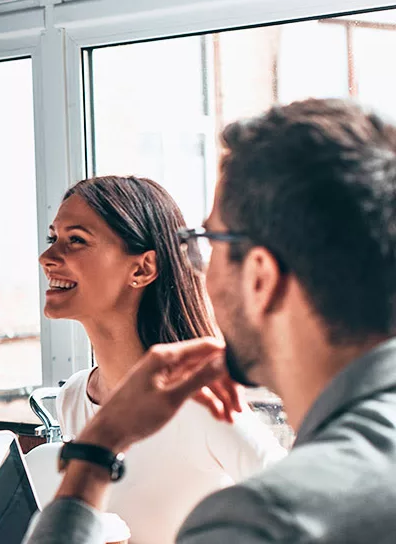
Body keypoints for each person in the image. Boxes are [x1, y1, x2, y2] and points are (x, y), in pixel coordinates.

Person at [24, 98, 396, 543]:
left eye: (207, 240)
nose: (197, 265)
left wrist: (94, 454)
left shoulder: (260, 520)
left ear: (260, 276)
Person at [36, 176, 285, 543]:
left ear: (141, 269)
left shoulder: (201, 404)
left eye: (76, 240)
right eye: (52, 239)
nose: (48, 258)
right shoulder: (74, 397)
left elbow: (304, 510)